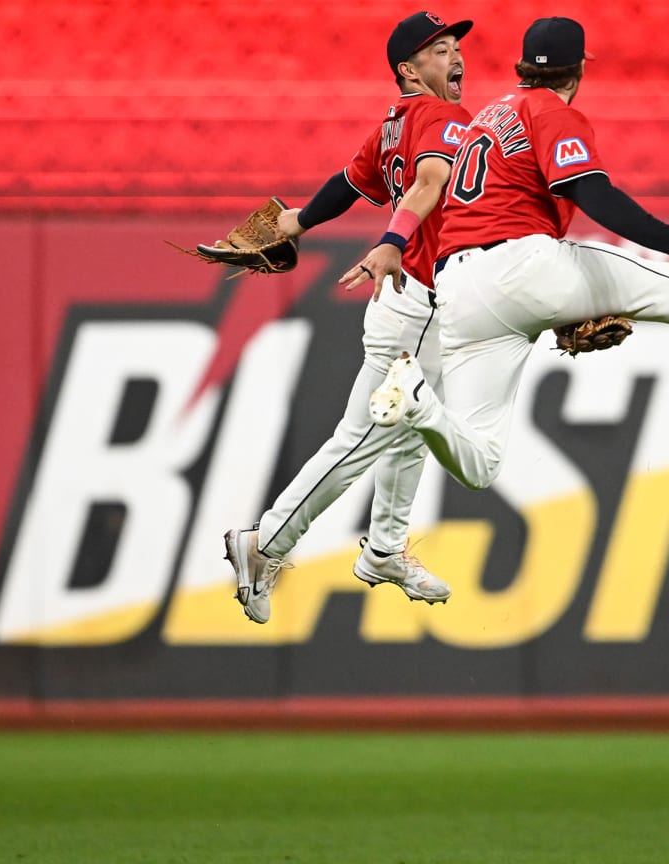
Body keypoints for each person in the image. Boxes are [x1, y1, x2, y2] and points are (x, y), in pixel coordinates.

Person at [366, 16, 669, 492]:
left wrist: (552, 300)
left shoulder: (492, 113)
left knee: (480, 463)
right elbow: (593, 195)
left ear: (523, 66)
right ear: (579, 69)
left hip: (457, 288)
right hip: (520, 263)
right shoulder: (551, 111)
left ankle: (420, 405)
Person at [223, 11, 474, 623]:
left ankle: (386, 547)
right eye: (438, 52)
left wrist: (293, 223)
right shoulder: (439, 117)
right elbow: (428, 185)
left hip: (419, 300)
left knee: (417, 428)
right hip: (418, 300)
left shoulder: (395, 123)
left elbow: (348, 181)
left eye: (453, 48)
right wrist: (392, 240)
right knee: (362, 438)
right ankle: (265, 543)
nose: (455, 58)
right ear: (408, 71)